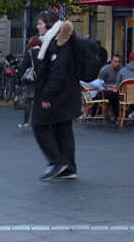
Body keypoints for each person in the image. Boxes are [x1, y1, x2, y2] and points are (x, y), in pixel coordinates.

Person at [31, 9, 80, 181]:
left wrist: (47, 96)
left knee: (39, 124)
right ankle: (68, 167)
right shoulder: (58, 40)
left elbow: (57, 72)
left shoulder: (57, 43)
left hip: (58, 94)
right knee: (62, 128)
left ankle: (57, 161)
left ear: (49, 24)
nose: (37, 27)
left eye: (40, 23)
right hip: (66, 94)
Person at [18, 35, 42, 130]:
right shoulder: (43, 52)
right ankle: (38, 122)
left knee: (28, 100)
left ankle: (26, 122)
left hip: (30, 80)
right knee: (39, 101)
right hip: (41, 79)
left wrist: (18, 81)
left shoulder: (29, 53)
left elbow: (23, 67)